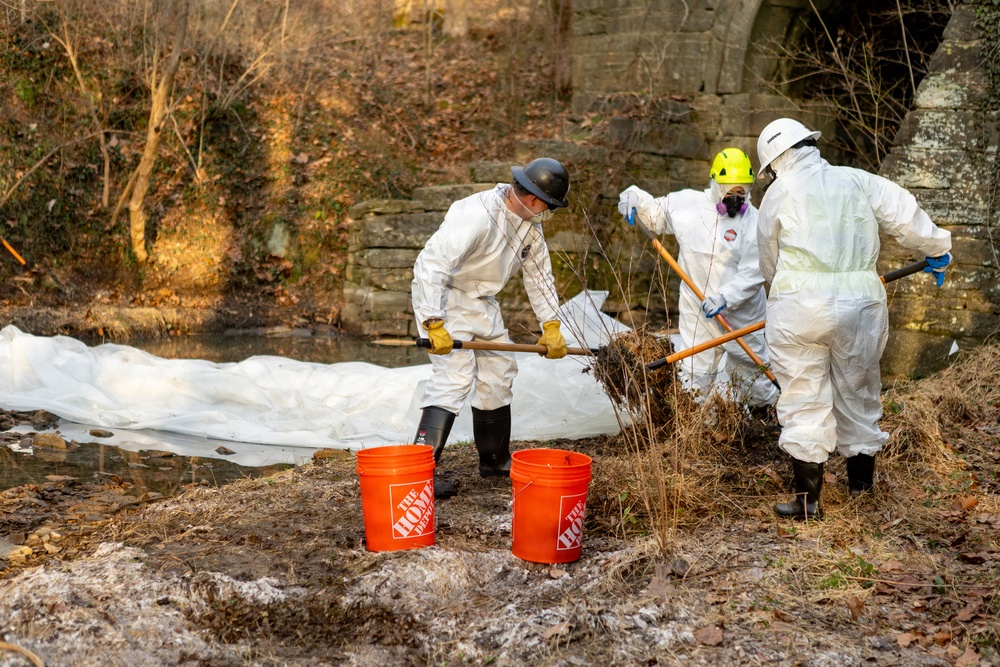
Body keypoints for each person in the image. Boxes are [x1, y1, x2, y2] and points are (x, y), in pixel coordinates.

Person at [756, 118, 952, 520]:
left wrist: (785, 290)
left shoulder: (777, 194)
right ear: (809, 145)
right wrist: (937, 247)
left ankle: (808, 505)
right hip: (860, 304)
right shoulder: (857, 180)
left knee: (803, 397)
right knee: (860, 390)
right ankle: (862, 493)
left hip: (799, 306)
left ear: (775, 162)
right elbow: (905, 214)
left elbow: (768, 259)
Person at [411, 157, 571, 498]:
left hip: (483, 302)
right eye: (550, 205)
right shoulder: (476, 214)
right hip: (447, 299)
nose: (550, 212)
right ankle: (418, 476)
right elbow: (431, 264)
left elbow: (540, 279)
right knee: (454, 378)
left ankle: (494, 461)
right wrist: (432, 322)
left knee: (499, 371)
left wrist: (551, 324)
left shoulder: (530, 227)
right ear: (532, 198)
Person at [617, 148, 779, 408]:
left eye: (742, 193)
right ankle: (695, 425)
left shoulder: (755, 223)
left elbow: (755, 271)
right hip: (697, 308)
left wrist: (726, 297)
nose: (736, 199)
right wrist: (632, 197)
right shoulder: (687, 205)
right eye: (730, 192)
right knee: (695, 371)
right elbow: (656, 213)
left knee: (752, 373)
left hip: (741, 315)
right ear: (715, 184)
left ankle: (764, 423)